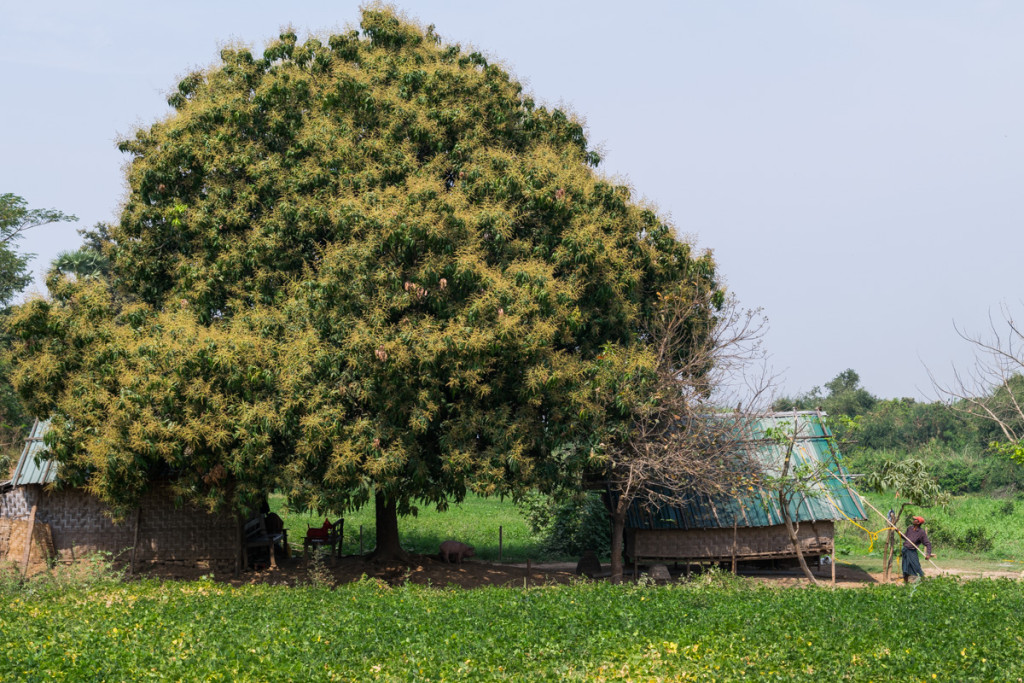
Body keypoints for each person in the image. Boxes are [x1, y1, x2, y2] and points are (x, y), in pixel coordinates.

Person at [901, 515, 935, 583]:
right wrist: (899, 532)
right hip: (905, 550)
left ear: (918, 522)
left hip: (912, 551)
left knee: (917, 567)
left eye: (915, 519)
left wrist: (928, 554)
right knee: (905, 568)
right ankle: (906, 583)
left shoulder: (921, 532)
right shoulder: (909, 528)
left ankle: (923, 581)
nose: (913, 520)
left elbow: (927, 543)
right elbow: (905, 537)